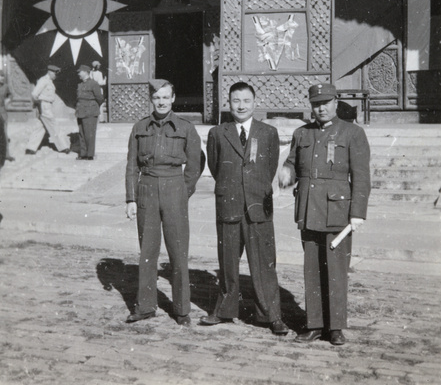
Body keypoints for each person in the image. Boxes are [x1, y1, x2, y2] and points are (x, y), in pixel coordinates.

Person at [279, 83, 371, 346]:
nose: (321, 108)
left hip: (338, 213)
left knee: (336, 271)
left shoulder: (353, 133)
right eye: (316, 103)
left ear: (336, 101)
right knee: (311, 270)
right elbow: (292, 163)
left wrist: (358, 213)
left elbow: (362, 177)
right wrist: (286, 174)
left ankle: (336, 327)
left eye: (326, 102)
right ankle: (315, 325)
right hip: (308, 210)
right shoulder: (302, 133)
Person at [199, 81, 289, 335]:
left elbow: (270, 167)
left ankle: (272, 315)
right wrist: (234, 187)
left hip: (258, 205)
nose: (241, 106)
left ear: (254, 103)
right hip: (229, 204)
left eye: (246, 101)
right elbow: (216, 167)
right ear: (229, 103)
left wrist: (254, 187)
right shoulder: (218, 132)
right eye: (236, 101)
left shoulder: (268, 132)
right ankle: (224, 310)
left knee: (264, 264)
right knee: (227, 262)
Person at [125, 79, 201, 326]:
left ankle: (181, 309)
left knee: (178, 250)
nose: (161, 101)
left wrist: (183, 190)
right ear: (151, 99)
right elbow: (131, 166)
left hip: (174, 186)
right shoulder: (139, 127)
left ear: (173, 98)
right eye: (157, 97)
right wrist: (131, 198)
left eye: (165, 97)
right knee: (147, 250)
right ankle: (145, 306)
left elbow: (195, 162)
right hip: (146, 187)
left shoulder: (186, 127)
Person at [25, 65, 70, 155]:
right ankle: (63, 147)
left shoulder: (49, 81)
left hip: (47, 105)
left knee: (41, 127)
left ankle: (30, 148)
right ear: (50, 72)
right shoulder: (43, 80)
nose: (55, 75)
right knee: (54, 125)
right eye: (54, 73)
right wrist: (39, 104)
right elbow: (34, 94)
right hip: (44, 105)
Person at [75, 64, 104, 160]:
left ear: (85, 72)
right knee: (82, 133)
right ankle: (83, 154)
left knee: (90, 134)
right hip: (80, 111)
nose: (78, 74)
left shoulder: (94, 84)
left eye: (80, 72)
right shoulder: (80, 84)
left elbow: (100, 98)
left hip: (90, 111)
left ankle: (90, 154)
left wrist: (93, 107)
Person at [0, 69, 14, 162]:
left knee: (4, 134)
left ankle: (6, 154)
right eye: (0, 76)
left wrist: (7, 101)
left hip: (2, 111)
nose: (2, 78)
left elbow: (11, 95)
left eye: (3, 76)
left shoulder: (5, 86)